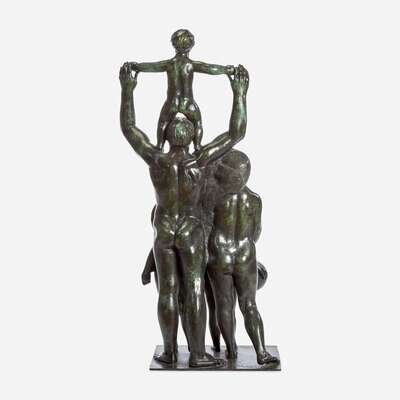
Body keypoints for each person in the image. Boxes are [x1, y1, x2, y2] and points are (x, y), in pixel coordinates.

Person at [119, 62, 249, 367]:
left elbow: (129, 128)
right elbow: (236, 132)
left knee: (167, 289)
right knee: (194, 288)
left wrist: (127, 90)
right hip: (190, 228)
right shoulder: (199, 160)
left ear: (165, 133)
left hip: (164, 227)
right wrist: (239, 93)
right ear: (192, 135)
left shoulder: (156, 158)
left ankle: (169, 351)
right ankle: (198, 354)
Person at [207, 150, 279, 365]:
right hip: (245, 253)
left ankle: (231, 351)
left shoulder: (212, 198)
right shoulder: (255, 200)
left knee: (224, 305)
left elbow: (205, 228)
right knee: (249, 305)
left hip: (220, 254)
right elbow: (256, 232)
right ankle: (261, 352)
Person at [129, 29, 234, 151]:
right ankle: (197, 145)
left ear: (173, 44)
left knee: (163, 123)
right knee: (198, 123)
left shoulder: (169, 64)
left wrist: (136, 66)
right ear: (191, 45)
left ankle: (160, 145)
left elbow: (152, 66)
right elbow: (210, 69)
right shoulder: (191, 64)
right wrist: (226, 70)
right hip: (188, 103)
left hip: (172, 102)